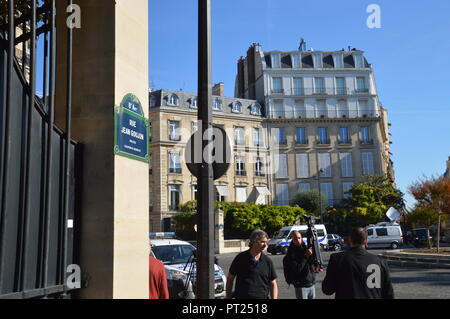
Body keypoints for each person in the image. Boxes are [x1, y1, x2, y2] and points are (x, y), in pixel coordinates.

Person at [322, 227, 394, 299]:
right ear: (366, 241)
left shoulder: (337, 259)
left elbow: (327, 289)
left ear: (350, 240)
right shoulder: (380, 262)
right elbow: (388, 293)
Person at [226, 229, 278, 299]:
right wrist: (228, 296)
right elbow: (230, 278)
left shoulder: (267, 261)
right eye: (262, 242)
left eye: (266, 242)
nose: (265, 245)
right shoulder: (240, 258)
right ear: (254, 241)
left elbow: (273, 283)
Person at [284, 231, 316, 299]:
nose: (298, 240)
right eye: (295, 239)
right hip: (301, 286)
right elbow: (298, 269)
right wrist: (306, 256)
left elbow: (310, 264)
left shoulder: (306, 248)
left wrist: (316, 267)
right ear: (292, 240)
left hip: (311, 284)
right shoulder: (291, 253)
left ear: (301, 238)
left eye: (299, 238)